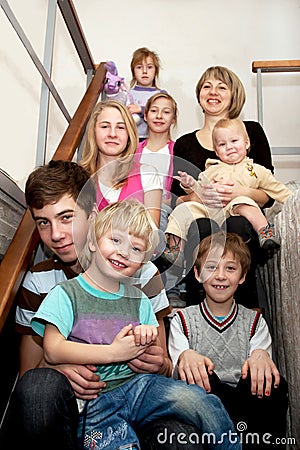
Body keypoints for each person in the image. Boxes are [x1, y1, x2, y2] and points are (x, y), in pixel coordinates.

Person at [31, 200, 241, 450]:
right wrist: (112, 353)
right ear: (92, 242)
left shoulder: (140, 299)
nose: (124, 252)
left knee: (200, 401)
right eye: (116, 240)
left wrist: (145, 335)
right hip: (94, 399)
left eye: (136, 249)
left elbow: (153, 339)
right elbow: (53, 349)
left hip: (140, 387)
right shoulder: (65, 294)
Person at [5, 160, 181, 449]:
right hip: (70, 409)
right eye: (43, 222)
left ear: (94, 214)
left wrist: (157, 363)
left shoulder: (142, 273)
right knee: (39, 388)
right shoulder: (39, 281)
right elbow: (28, 374)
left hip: (131, 399)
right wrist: (56, 366)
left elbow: (163, 362)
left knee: (178, 432)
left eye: (66, 217)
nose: (56, 235)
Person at [168, 232, 288, 450]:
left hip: (246, 406)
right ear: (197, 273)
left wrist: (261, 355)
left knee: (274, 384)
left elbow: (261, 372)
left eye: (230, 268)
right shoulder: (182, 320)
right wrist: (186, 356)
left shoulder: (255, 322)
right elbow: (177, 371)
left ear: (242, 277)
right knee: (197, 381)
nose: (220, 276)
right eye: (211, 267)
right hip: (206, 404)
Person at [170, 66, 275, 308]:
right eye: (207, 86)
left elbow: (268, 194)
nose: (213, 91)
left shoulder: (252, 132)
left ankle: (247, 312)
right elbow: (178, 199)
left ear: (233, 95)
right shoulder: (185, 144)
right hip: (203, 217)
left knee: (238, 224)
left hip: (241, 216)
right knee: (201, 225)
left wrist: (241, 193)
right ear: (199, 95)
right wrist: (200, 195)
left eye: (221, 87)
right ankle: (198, 311)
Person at [164, 118, 292, 260]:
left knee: (245, 201)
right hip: (211, 210)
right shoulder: (211, 170)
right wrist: (189, 185)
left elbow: (278, 189)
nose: (229, 147)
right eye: (222, 144)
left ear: (246, 143)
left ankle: (265, 232)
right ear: (217, 152)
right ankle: (175, 248)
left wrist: (294, 199)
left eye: (234, 141)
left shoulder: (256, 170)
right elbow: (199, 191)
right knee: (183, 210)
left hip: (235, 210)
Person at [80, 99, 162, 228]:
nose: (112, 134)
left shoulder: (148, 174)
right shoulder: (79, 178)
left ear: (129, 134)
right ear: (93, 131)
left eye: (120, 127)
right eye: (105, 126)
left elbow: (152, 236)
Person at [127, 47, 167, 140]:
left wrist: (141, 109)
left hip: (154, 139)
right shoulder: (128, 94)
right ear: (133, 71)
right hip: (131, 139)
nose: (144, 71)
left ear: (155, 71)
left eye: (149, 67)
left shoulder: (160, 94)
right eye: (139, 67)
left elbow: (163, 113)